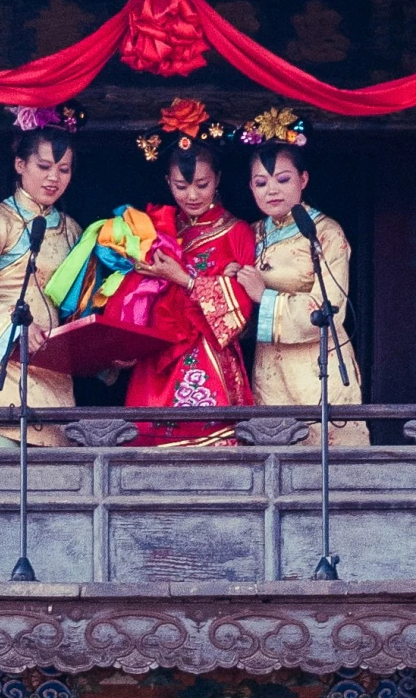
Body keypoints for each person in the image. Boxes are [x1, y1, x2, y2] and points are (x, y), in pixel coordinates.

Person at [125, 98, 255, 448]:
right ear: (168, 181)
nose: (192, 195)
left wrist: (185, 279)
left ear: (218, 180)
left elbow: (240, 314)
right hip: (156, 358)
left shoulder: (237, 232)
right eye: (181, 187)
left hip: (209, 358)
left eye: (202, 184)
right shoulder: (155, 230)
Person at [0, 107, 82, 448]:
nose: (54, 177)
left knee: (51, 488)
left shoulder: (72, 231)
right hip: (1, 366)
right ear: (20, 165)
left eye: (63, 169)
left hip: (53, 369)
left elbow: (80, 304)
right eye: (44, 166)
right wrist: (13, 332)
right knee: (1, 482)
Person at [240, 106, 369, 449]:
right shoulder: (249, 234)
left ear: (303, 179)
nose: (272, 191)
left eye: (283, 180)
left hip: (317, 366)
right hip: (269, 366)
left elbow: (330, 308)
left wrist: (262, 297)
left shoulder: (325, 233)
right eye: (261, 182)